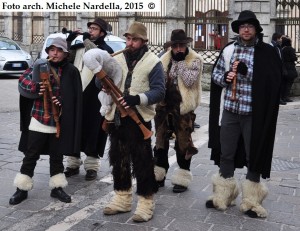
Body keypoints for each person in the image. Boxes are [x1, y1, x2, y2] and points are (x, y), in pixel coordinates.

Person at [87, 21, 165, 222]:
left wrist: (137, 98)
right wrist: (103, 84)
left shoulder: (152, 61)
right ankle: (122, 198)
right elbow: (99, 80)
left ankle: (146, 203)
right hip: (116, 118)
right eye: (128, 38)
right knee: (118, 159)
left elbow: (159, 91)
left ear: (143, 41)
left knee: (142, 162)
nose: (130, 43)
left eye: (135, 39)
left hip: (139, 118)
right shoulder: (117, 57)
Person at [206, 10, 282, 218]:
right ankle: (223, 195)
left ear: (256, 29)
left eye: (249, 26)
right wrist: (227, 77)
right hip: (231, 110)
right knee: (226, 152)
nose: (245, 29)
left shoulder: (266, 51)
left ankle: (251, 201)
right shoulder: (230, 50)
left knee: (253, 153)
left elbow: (275, 79)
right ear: (238, 30)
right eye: (242, 26)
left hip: (254, 114)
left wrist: (248, 72)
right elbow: (216, 76)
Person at [9, 37, 82, 205]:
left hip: (59, 121)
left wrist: (63, 103)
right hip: (39, 117)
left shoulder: (71, 71)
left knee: (57, 156)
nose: (55, 54)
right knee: (31, 154)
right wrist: (36, 88)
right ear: (48, 51)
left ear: (65, 53)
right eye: (52, 50)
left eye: (59, 51)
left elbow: (74, 96)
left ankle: (57, 188)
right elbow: (23, 81)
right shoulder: (41, 65)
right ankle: (22, 188)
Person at [153, 29, 203, 193]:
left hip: (183, 107)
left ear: (186, 45)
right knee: (160, 142)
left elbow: (189, 81)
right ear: (171, 46)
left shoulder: (195, 59)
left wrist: (181, 63)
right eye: (176, 46)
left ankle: (182, 177)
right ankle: (159, 175)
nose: (179, 49)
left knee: (183, 142)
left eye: (182, 45)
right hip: (164, 106)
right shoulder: (164, 59)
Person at [64, 17, 114, 181]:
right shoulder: (80, 47)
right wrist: (69, 41)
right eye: (90, 28)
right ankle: (72, 163)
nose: (91, 31)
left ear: (102, 33)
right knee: (73, 130)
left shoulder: (106, 50)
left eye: (94, 29)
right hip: (77, 96)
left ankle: (91, 167)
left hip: (95, 98)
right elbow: (66, 61)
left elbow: (96, 56)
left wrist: (85, 40)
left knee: (94, 131)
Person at [270, 32, 287, 105]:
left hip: (279, 69)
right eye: (280, 38)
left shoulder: (278, 46)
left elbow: (280, 58)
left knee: (279, 84)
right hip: (274, 69)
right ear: (277, 38)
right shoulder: (271, 46)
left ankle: (278, 99)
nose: (281, 40)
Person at [281, 36, 298, 103]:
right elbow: (294, 58)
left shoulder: (282, 48)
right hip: (290, 67)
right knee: (289, 83)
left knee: (284, 83)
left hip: (284, 67)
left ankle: (282, 97)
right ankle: (286, 97)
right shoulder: (290, 49)